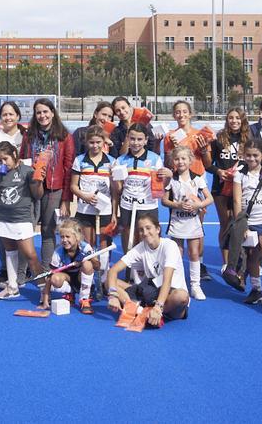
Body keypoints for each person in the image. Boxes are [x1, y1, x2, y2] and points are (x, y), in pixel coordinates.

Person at [105, 213, 191, 325]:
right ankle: (139, 310)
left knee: (182, 296)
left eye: (148, 228)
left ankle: (150, 312)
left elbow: (167, 281)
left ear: (158, 229)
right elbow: (113, 271)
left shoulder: (170, 246)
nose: (145, 233)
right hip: (150, 292)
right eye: (141, 230)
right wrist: (113, 295)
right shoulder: (140, 248)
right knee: (108, 281)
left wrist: (158, 307)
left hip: (170, 296)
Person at [20, 97, 76, 269]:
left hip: (54, 189)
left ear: (53, 113)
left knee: (47, 230)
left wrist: (66, 199)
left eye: (45, 111)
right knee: (25, 230)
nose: (42, 115)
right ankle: (24, 270)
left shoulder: (64, 137)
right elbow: (22, 160)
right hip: (30, 188)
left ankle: (46, 269)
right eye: (39, 112)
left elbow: (68, 168)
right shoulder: (29, 136)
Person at [227, 143, 262, 308]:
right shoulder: (239, 175)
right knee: (252, 257)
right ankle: (256, 289)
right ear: (244, 156)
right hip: (248, 222)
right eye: (249, 155)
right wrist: (241, 225)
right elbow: (237, 201)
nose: (252, 159)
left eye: (255, 155)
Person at [0, 140, 45, 300]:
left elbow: (38, 194)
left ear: (14, 155)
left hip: (22, 218)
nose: (2, 163)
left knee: (30, 255)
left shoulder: (27, 171)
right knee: (10, 251)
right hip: (3, 217)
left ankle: (43, 290)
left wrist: (39, 182)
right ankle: (13, 286)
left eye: (5, 159)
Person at [68, 125, 115, 297]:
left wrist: (114, 212)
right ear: (86, 142)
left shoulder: (111, 161)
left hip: (104, 211)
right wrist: (85, 196)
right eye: (91, 142)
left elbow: (115, 191)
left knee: (103, 248)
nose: (95, 146)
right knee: (88, 247)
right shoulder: (80, 160)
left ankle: (103, 283)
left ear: (104, 142)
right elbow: (73, 186)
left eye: (98, 142)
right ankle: (88, 283)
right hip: (85, 209)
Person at [162, 146, 213, 301]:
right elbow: (164, 200)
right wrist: (177, 205)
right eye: (177, 159)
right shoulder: (171, 180)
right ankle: (178, 284)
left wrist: (198, 205)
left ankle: (195, 285)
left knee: (194, 253)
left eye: (184, 158)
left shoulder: (197, 179)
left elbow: (209, 199)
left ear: (190, 160)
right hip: (177, 222)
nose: (180, 161)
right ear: (173, 161)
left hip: (193, 222)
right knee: (176, 255)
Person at [112, 124, 170, 252]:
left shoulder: (155, 159)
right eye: (132, 139)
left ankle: (148, 268)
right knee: (128, 239)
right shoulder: (120, 160)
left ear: (146, 140)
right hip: (127, 205)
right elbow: (118, 190)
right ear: (127, 139)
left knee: (149, 238)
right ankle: (130, 267)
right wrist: (115, 178)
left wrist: (168, 177)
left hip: (147, 206)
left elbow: (161, 187)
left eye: (139, 139)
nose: (136, 143)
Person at [0, 101, 25, 288]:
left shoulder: (25, 136)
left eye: (11, 114)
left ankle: (22, 271)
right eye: (4, 114)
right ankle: (5, 270)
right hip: (3, 189)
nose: (8, 117)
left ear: (18, 116)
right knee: (4, 231)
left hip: (22, 189)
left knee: (23, 231)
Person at [208, 108, 249, 263]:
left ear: (243, 119)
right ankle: (226, 262)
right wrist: (219, 171)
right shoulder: (219, 138)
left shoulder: (248, 138)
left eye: (237, 118)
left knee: (239, 223)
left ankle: (238, 257)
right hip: (221, 187)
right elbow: (208, 164)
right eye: (231, 118)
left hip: (242, 186)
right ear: (227, 120)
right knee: (225, 224)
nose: (234, 121)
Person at [39, 220, 99, 314]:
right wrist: (45, 300)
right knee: (55, 278)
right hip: (68, 279)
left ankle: (84, 299)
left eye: (68, 236)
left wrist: (86, 259)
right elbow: (50, 277)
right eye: (62, 237)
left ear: (77, 237)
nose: (64, 240)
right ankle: (70, 294)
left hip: (82, 279)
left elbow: (97, 266)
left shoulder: (85, 247)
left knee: (87, 264)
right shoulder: (58, 252)